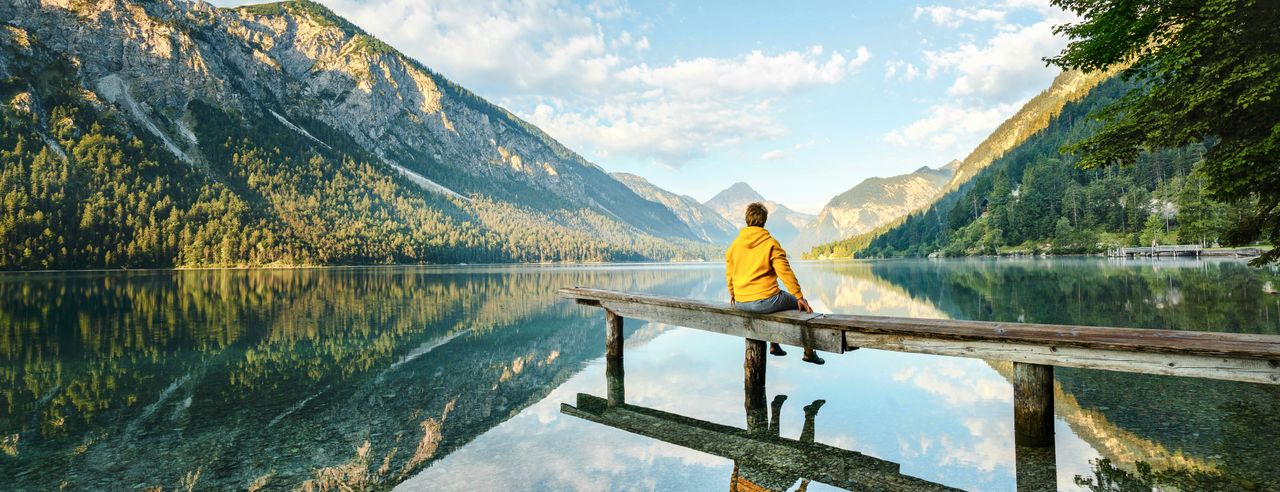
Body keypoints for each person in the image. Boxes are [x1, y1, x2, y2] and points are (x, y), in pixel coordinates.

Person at [725, 202, 824, 364]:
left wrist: (733, 293)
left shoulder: (734, 246)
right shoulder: (770, 243)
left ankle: (775, 345)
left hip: (741, 302)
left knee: (779, 302)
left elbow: (729, 273)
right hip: (765, 301)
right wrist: (799, 296)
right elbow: (785, 273)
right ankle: (808, 352)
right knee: (801, 306)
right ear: (764, 221)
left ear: (747, 220)